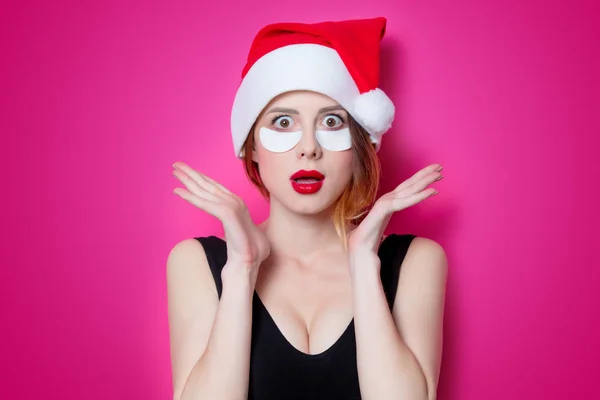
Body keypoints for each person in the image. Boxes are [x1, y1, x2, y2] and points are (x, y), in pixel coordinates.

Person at [167, 17, 447, 400]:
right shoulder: (197, 263)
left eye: (332, 121)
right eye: (283, 122)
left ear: (361, 145)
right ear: (250, 145)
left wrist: (364, 263)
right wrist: (243, 268)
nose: (309, 148)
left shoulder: (416, 260)